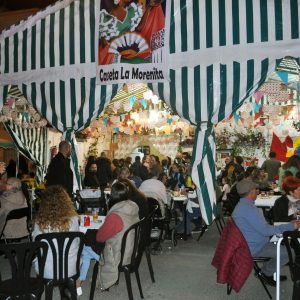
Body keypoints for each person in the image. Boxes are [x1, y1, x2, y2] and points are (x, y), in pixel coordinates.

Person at [232, 178, 300, 286]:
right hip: (255, 246)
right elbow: (266, 231)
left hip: (251, 242)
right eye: (256, 189)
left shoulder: (243, 206)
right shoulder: (249, 210)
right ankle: (265, 272)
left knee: (283, 245)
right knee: (289, 252)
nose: (257, 191)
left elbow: (263, 228)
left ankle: (268, 271)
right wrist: (292, 226)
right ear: (252, 192)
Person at [77, 181, 139, 293]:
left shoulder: (116, 215)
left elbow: (100, 238)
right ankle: (80, 281)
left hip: (116, 256)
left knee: (85, 245)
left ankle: (79, 281)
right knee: (89, 239)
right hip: (130, 250)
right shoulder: (132, 207)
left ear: (113, 196)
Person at [32, 186, 79, 279]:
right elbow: (77, 242)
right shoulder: (74, 220)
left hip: (46, 271)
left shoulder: (39, 223)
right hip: (70, 269)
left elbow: (35, 246)